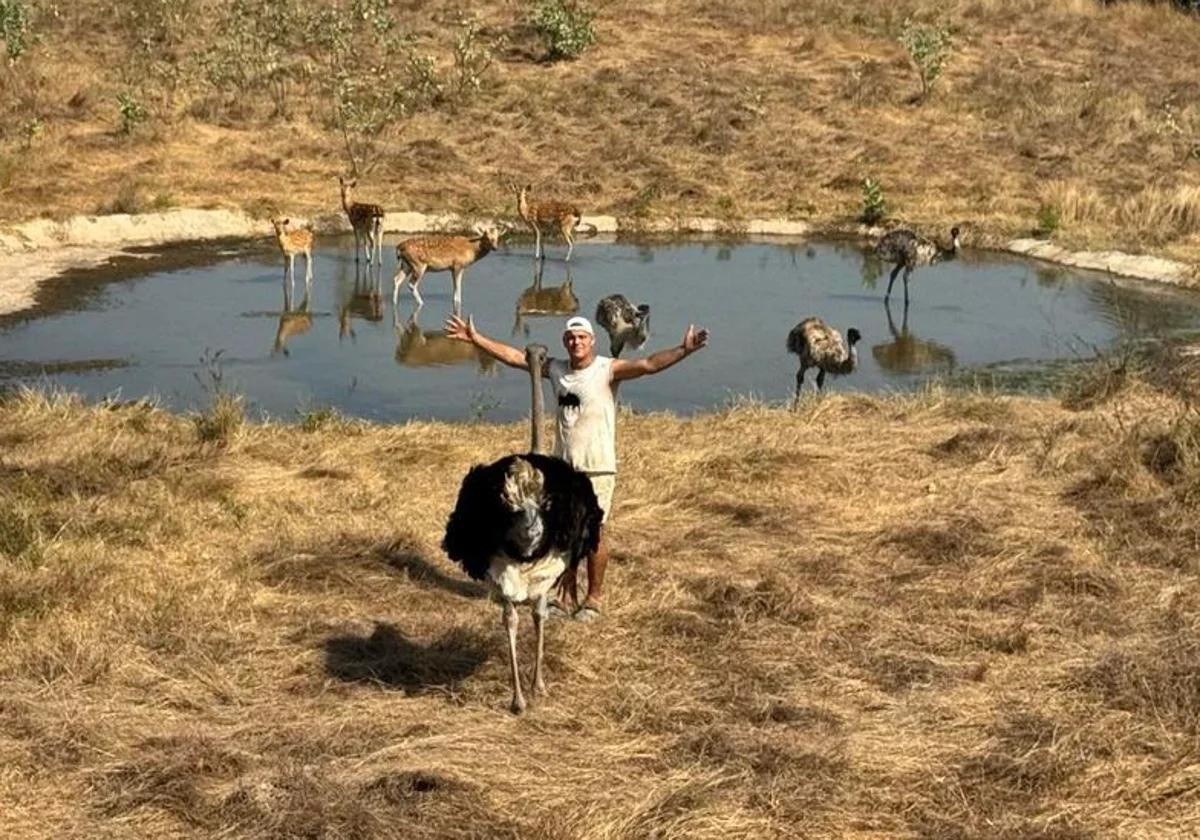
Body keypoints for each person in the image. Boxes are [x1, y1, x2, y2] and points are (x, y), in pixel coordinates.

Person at [444, 311, 709, 622]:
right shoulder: (556, 369)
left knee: (594, 532)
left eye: (582, 337)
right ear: (565, 342)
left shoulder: (607, 369)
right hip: (562, 470)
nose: (576, 342)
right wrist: (477, 339)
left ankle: (593, 597)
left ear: (592, 341)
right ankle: (559, 594)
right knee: (561, 530)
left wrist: (683, 350)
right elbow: (516, 358)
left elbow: (648, 365)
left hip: (597, 466)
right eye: (571, 338)